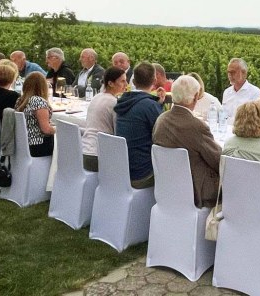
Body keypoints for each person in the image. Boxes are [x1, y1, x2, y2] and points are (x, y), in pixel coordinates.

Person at [153, 75, 221, 208]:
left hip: (166, 187)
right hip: (195, 192)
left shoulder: (161, 120)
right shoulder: (196, 126)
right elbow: (218, 160)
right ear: (196, 97)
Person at [114, 61, 166, 189]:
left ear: (134, 81)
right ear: (154, 80)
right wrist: (158, 106)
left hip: (122, 169)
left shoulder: (124, 101)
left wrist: (157, 104)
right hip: (142, 173)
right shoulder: (149, 106)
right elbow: (164, 134)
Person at [81, 67, 127, 172]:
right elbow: (118, 132)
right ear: (111, 83)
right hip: (99, 155)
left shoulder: (96, 98)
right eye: (122, 81)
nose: (126, 84)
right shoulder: (114, 103)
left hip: (85, 150)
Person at [15, 72, 56, 157]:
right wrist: (58, 129)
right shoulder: (38, 101)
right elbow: (46, 130)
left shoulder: (20, 100)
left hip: (24, 143)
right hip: (38, 145)